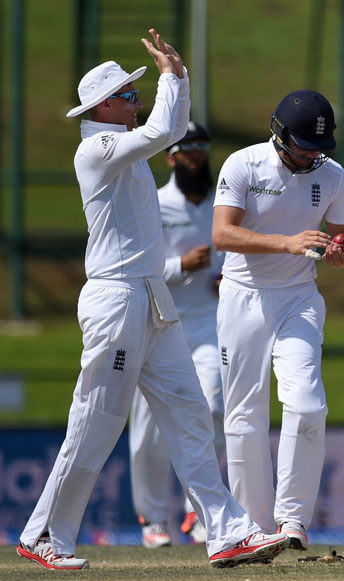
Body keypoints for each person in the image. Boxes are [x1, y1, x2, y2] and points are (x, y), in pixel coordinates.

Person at [16, 30, 286, 571]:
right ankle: (43, 534)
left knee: (189, 413)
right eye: (128, 95)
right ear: (103, 107)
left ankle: (227, 533)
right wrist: (170, 79)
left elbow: (171, 126)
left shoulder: (128, 143)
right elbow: (166, 128)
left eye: (137, 93)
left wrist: (178, 78)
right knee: (96, 421)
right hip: (116, 301)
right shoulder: (98, 149)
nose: (136, 102)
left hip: (152, 299)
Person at [211, 89, 344, 551]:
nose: (312, 156)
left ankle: (292, 520)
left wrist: (340, 253)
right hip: (243, 298)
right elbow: (222, 235)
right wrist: (286, 243)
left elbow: (340, 243)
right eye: (302, 147)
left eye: (319, 148)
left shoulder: (333, 177)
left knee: (308, 404)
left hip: (298, 298)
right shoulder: (243, 164)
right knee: (244, 415)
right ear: (278, 133)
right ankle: (252, 531)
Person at [128, 121, 221, 548]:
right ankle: (153, 519)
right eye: (187, 148)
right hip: (158, 322)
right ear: (170, 156)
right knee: (148, 429)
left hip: (210, 324)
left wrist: (230, 280)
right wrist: (181, 266)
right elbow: (134, 270)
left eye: (201, 146)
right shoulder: (154, 203)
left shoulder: (224, 203)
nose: (196, 154)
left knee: (213, 409)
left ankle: (199, 512)